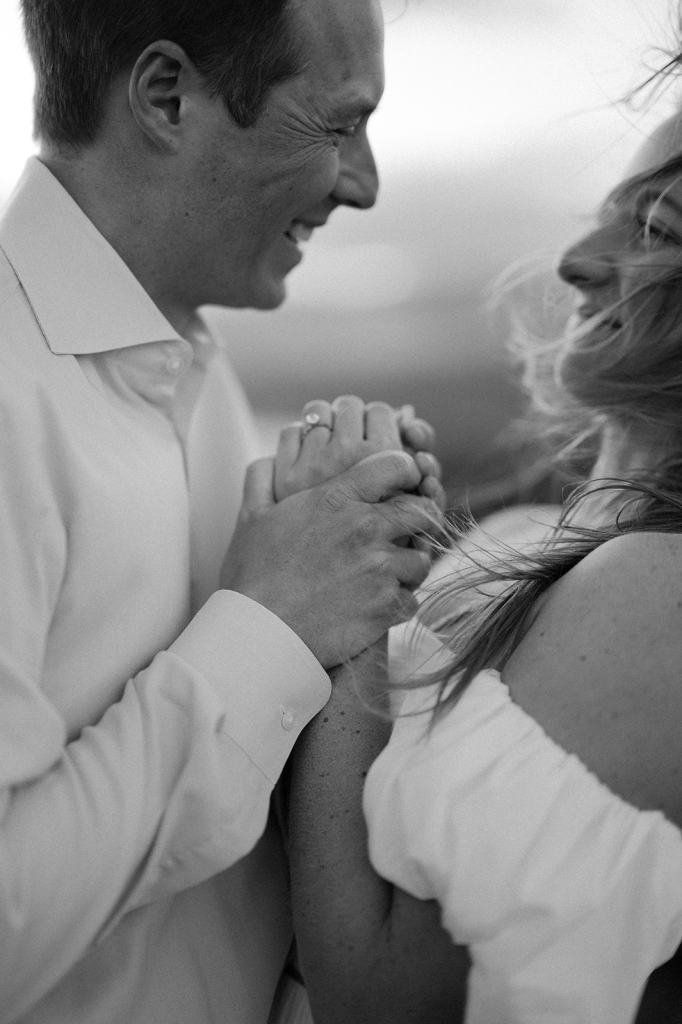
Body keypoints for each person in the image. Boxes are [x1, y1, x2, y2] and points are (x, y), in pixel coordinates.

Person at [0, 1, 446, 1022]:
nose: (364, 184)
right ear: (166, 96)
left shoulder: (195, 371)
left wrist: (349, 563)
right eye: (336, 124)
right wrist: (270, 621)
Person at [278, 108, 682, 1022]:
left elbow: (382, 997)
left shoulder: (658, 595)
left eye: (654, 229)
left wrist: (348, 596)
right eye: (610, 213)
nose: (576, 258)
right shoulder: (532, 538)